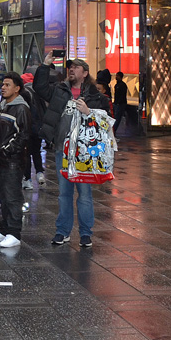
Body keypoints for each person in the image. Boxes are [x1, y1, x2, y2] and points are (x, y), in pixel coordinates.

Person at [44, 59, 111, 247]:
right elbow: (40, 88)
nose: (71, 69)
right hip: (62, 150)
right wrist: (44, 65)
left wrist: (89, 112)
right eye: (70, 67)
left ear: (85, 73)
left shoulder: (96, 95)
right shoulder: (60, 90)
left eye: (76, 67)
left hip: (84, 152)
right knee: (64, 193)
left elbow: (106, 121)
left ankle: (85, 233)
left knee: (85, 194)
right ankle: (62, 231)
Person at [0, 73, 32, 249]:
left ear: (17, 88)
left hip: (11, 162)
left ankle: (14, 232)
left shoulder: (21, 108)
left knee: (13, 198)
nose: (3, 87)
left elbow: (23, 135)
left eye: (7, 85)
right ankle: (4, 228)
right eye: (3, 84)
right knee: (3, 197)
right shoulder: (5, 107)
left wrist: (7, 151)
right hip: (0, 161)